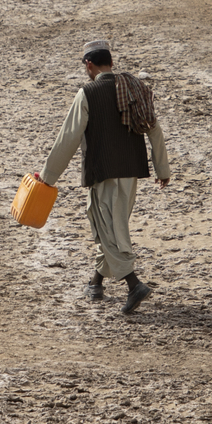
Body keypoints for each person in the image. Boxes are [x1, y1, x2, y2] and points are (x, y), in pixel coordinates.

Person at [38, 39, 170, 313]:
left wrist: (49, 177)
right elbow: (154, 129)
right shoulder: (135, 87)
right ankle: (96, 283)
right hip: (131, 172)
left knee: (108, 229)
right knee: (113, 227)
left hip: (104, 172)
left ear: (89, 64)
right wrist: (162, 169)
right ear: (110, 61)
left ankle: (134, 284)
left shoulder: (88, 93)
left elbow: (69, 137)